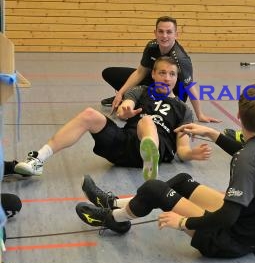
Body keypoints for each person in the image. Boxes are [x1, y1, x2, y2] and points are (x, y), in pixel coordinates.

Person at [75, 84, 255, 259]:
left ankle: (114, 218)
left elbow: (227, 217)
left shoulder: (245, 161)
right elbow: (252, 153)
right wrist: (211, 133)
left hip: (230, 240)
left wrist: (183, 223)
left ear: (238, 115)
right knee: (181, 181)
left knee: (153, 188)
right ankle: (115, 203)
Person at [14, 57, 212, 179]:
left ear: (177, 78)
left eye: (171, 74)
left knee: (146, 120)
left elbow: (183, 148)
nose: (166, 78)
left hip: (159, 149)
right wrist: (124, 111)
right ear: (153, 74)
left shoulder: (182, 109)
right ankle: (38, 160)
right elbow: (126, 106)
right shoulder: (140, 91)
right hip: (125, 145)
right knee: (90, 114)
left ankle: (150, 159)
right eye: (162, 73)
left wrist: (191, 155)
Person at [101, 15, 220, 123]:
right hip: (155, 80)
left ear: (176, 34)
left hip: (173, 91)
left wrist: (200, 114)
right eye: (161, 31)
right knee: (110, 73)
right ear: (155, 32)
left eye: (169, 32)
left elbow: (190, 86)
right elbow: (140, 72)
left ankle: (136, 99)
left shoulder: (181, 59)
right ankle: (127, 97)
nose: (164, 36)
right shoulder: (151, 46)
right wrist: (121, 92)